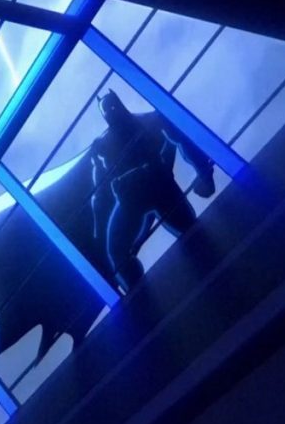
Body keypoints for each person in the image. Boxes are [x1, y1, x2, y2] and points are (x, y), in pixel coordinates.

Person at [88, 90, 215, 292]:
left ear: (120, 105)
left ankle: (211, 268)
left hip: (158, 188)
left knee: (191, 231)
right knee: (117, 252)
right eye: (108, 110)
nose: (112, 111)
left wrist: (205, 175)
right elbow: (99, 191)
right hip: (132, 199)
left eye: (114, 106)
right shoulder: (104, 144)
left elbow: (182, 140)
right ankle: (138, 294)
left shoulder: (148, 121)